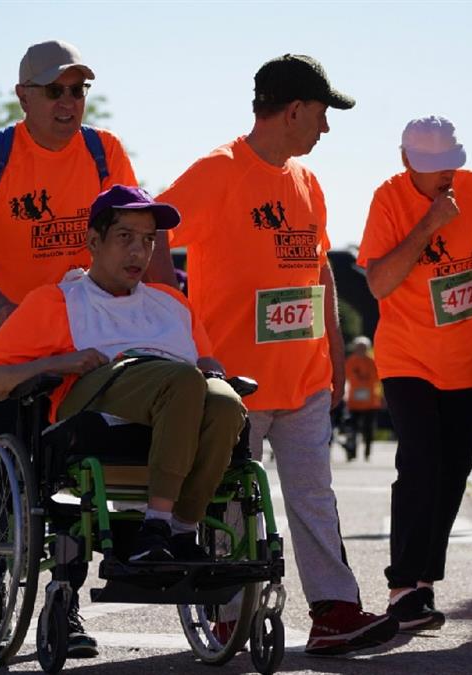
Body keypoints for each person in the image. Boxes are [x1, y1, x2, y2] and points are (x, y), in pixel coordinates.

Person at [156, 54, 398, 656]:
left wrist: (337, 355)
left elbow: (320, 272)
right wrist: (176, 321)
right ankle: (226, 612)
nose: (326, 128)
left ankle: (334, 611)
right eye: (321, 114)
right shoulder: (218, 171)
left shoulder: (307, 181)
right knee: (233, 502)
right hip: (234, 382)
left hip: (307, 378)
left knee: (316, 498)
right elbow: (151, 228)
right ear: (293, 110)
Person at [0, 38, 137, 654]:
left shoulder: (105, 152)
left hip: (86, 342)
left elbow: (136, 233)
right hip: (8, 348)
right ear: (24, 96)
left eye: (78, 89)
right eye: (55, 90)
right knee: (3, 471)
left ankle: (65, 603)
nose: (68, 100)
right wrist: (3, 311)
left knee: (79, 478)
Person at [0, 185, 244, 565]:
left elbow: (205, 367)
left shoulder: (173, 304)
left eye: (148, 240)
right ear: (93, 241)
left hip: (177, 398)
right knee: (183, 381)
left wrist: (215, 371)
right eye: (125, 237)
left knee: (227, 403)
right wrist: (54, 364)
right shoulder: (56, 302)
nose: (139, 252)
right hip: (99, 394)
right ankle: (156, 525)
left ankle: (181, 529)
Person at [359, 115, 472, 630]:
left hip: (465, 358)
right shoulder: (388, 199)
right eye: (433, 169)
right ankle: (401, 585)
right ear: (406, 160)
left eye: (450, 165)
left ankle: (424, 585)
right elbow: (380, 284)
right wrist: (429, 224)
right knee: (420, 463)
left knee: (454, 469)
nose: (445, 177)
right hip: (406, 356)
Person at [341, 336, 380, 462]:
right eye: (358, 348)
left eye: (363, 348)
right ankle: (352, 452)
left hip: (370, 403)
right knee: (352, 430)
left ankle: (367, 452)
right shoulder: (351, 361)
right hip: (354, 403)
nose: (361, 350)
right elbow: (345, 378)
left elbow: (379, 379)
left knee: (368, 430)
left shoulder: (373, 362)